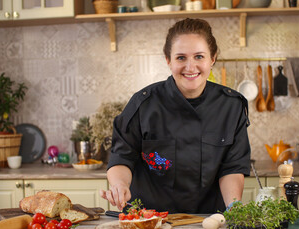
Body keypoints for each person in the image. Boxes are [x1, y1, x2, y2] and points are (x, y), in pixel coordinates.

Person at [100, 18, 251, 214]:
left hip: (208, 221)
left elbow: (232, 168)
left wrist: (234, 208)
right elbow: (121, 157)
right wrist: (119, 185)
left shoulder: (231, 106)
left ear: (212, 59)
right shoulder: (142, 104)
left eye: (199, 56)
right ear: (168, 60)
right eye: (181, 58)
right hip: (148, 219)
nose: (190, 67)